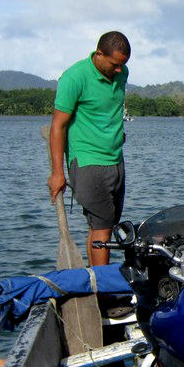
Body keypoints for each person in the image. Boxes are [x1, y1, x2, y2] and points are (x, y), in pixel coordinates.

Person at [48, 31, 131, 266]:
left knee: (100, 228)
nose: (118, 70)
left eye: (123, 65)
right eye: (114, 64)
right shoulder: (74, 77)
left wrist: (115, 135)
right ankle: (104, 293)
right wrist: (57, 173)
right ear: (99, 54)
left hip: (116, 160)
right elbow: (58, 126)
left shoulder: (122, 73)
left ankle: (94, 280)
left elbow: (108, 112)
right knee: (103, 231)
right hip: (88, 163)